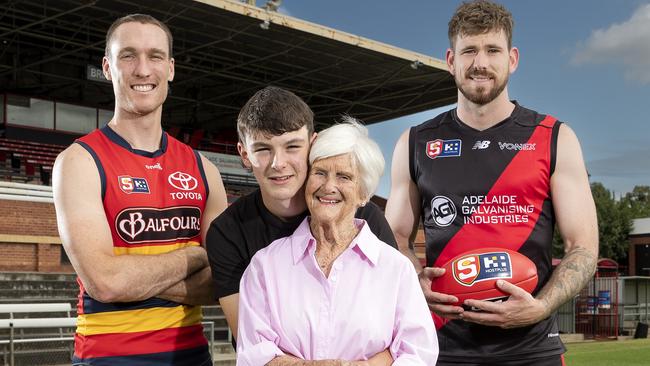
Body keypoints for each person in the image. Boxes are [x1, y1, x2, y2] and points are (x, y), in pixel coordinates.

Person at [385, 1, 598, 365]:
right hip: (442, 346)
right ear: (451, 60)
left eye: (492, 50)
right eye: (469, 50)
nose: (480, 62)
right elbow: (393, 240)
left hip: (532, 348)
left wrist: (540, 307)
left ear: (512, 59)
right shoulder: (416, 141)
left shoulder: (554, 137)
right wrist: (415, 281)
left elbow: (583, 246)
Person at [52, 14, 228, 366]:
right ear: (107, 67)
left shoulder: (204, 171)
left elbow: (222, 283)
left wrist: (129, 275)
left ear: (171, 68)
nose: (143, 70)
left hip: (192, 357)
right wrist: (195, 257)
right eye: (128, 55)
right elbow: (105, 284)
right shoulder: (79, 161)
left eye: (155, 56)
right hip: (107, 359)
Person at [206, 87, 397, 364]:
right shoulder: (228, 232)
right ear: (244, 154)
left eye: (292, 146)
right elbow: (255, 346)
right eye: (262, 149)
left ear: (313, 143)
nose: (278, 163)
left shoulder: (362, 215)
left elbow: (398, 336)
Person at [237, 119, 438, 365]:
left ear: (363, 193)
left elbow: (418, 354)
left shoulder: (396, 269)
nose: (329, 186)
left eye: (344, 176)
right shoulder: (265, 266)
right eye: (320, 173)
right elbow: (253, 357)